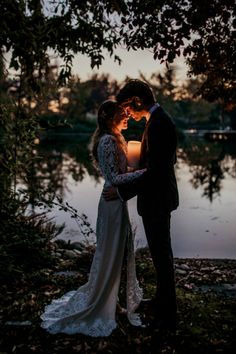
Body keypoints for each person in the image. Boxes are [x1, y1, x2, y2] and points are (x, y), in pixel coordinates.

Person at [40, 100, 146, 337]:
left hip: (116, 203)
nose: (127, 114)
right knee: (110, 253)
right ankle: (102, 302)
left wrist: (137, 169)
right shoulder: (107, 141)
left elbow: (121, 173)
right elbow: (114, 179)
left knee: (116, 253)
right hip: (111, 204)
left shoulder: (116, 138)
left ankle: (113, 301)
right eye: (122, 112)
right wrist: (145, 173)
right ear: (110, 117)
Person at [103, 80, 179, 336]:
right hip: (156, 197)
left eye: (128, 106)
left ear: (137, 100)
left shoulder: (160, 123)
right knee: (160, 255)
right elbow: (157, 164)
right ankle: (161, 302)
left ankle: (168, 316)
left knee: (162, 256)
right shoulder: (156, 121)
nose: (127, 113)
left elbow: (157, 172)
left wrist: (122, 190)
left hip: (158, 199)